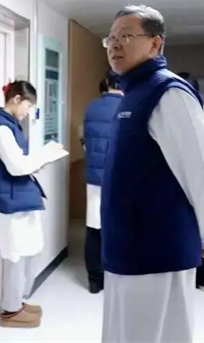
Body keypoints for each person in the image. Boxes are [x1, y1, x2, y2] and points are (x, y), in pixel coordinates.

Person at [100, 5, 204, 343]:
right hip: (128, 244)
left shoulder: (168, 92)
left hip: (156, 249)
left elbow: (202, 172)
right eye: (111, 38)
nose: (115, 45)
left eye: (126, 36)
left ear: (155, 44)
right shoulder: (134, 92)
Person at [0, 80, 64, 328]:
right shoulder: (1, 129)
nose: (28, 112)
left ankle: (16, 302)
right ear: (16, 99)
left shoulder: (10, 126)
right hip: (8, 204)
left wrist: (39, 160)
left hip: (15, 199)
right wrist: (46, 155)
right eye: (28, 105)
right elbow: (17, 166)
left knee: (25, 253)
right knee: (14, 257)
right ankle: (10, 310)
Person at [82, 71, 124, 294]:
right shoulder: (129, 107)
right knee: (120, 227)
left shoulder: (92, 107)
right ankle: (116, 276)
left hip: (94, 178)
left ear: (106, 83)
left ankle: (94, 280)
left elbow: (87, 142)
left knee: (94, 227)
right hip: (120, 178)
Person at [178, 71, 204, 292]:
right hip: (203, 175)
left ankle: (193, 277)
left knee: (192, 227)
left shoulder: (179, 113)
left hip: (187, 175)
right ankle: (202, 279)